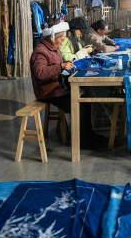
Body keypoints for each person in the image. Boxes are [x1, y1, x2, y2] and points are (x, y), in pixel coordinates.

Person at [30, 20, 106, 149]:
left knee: (86, 98)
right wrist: (61, 66)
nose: (63, 41)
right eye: (61, 38)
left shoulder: (53, 48)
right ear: (53, 37)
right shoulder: (40, 52)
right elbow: (40, 73)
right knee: (80, 104)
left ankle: (89, 135)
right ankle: (83, 141)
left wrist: (67, 67)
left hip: (58, 88)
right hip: (49, 92)